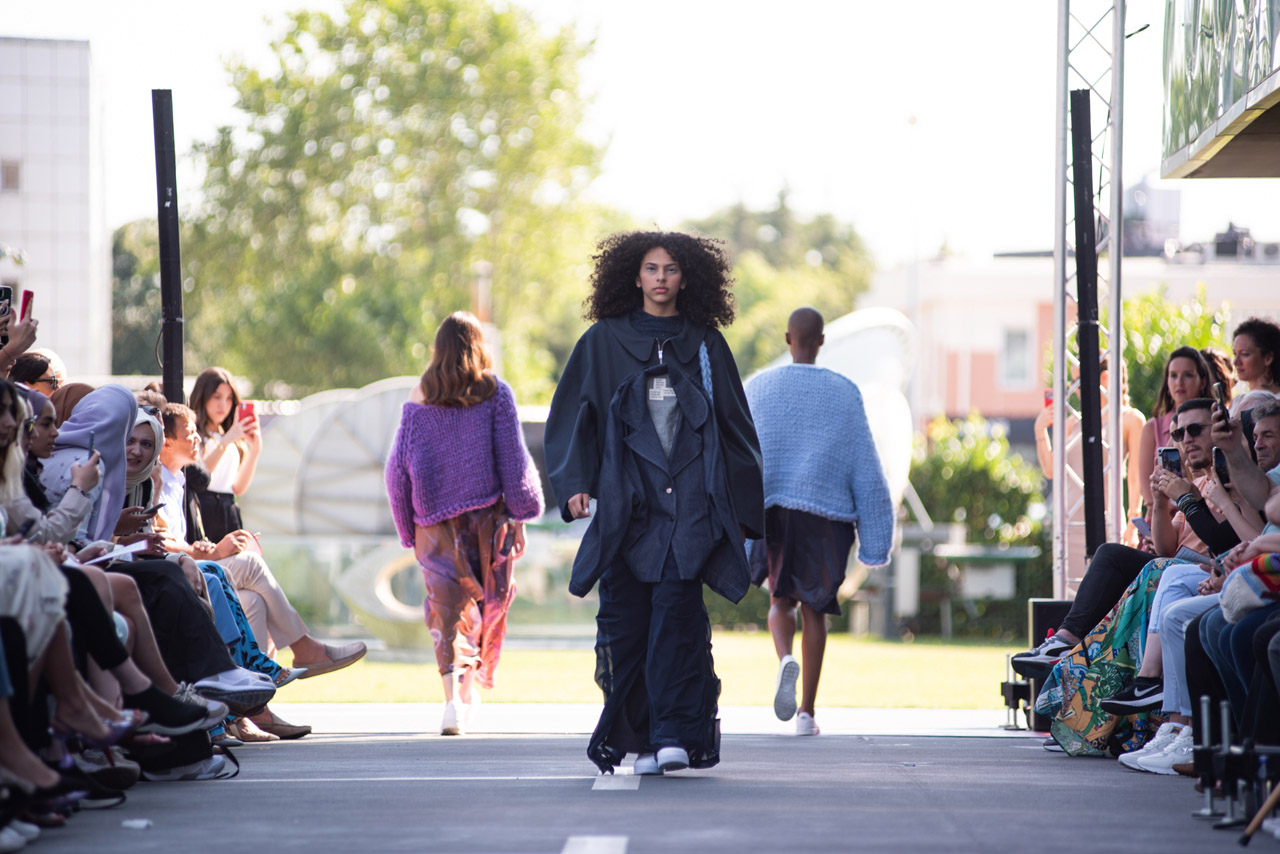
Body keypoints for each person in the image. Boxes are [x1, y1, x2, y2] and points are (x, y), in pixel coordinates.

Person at [545, 230, 764, 775]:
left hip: (689, 509)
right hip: (626, 509)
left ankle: (673, 735)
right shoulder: (602, 342)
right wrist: (574, 485)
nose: (660, 278)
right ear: (634, 276)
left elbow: (735, 428)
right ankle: (640, 739)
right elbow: (573, 415)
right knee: (626, 624)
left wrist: (740, 512)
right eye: (650, 268)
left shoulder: (707, 345)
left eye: (670, 269)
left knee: (677, 616)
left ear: (686, 278)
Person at [385, 312, 544, 735]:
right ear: (479, 347)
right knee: (486, 604)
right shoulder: (495, 392)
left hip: (434, 526)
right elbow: (513, 460)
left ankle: (451, 703)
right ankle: (468, 691)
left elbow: (397, 471)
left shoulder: (421, 395)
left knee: (446, 613)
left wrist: (408, 531)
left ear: (438, 349)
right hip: (486, 522)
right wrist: (520, 516)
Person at [744, 307, 893, 736]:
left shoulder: (759, 387)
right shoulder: (844, 392)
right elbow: (866, 466)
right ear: (822, 341)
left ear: (787, 338)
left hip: (774, 510)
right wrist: (876, 537)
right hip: (827, 517)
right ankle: (806, 713)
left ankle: (784, 659)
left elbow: (742, 455)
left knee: (780, 601)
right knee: (816, 610)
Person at [188, 367, 262, 542]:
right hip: (203, 506)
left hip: (229, 509)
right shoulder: (193, 433)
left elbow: (238, 488)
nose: (223, 405)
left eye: (229, 398)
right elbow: (199, 477)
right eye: (217, 397)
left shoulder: (231, 437)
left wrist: (256, 449)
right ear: (204, 396)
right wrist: (226, 441)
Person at [1136, 347, 1212, 510]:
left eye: (1188, 375)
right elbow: (1148, 493)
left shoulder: (1215, 420)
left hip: (1209, 511)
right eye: (1173, 375)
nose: (1179, 382)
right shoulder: (1152, 428)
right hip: (1162, 516)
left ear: (1203, 381)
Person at [1231, 317, 1280, 400]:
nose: (1236, 362)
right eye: (1235, 354)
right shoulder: (1238, 401)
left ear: (1268, 358)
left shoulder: (1276, 402)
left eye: (1244, 354)